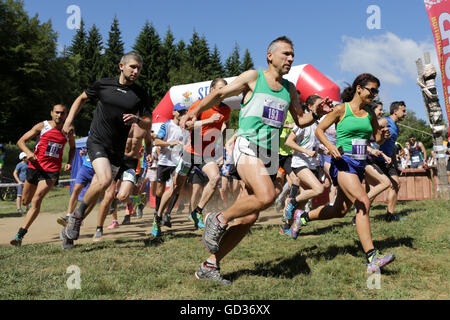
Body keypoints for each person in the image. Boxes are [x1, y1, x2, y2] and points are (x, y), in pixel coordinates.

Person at [180, 36, 332, 284]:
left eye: (293, 55)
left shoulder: (290, 89)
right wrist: (194, 111)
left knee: (249, 217)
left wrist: (317, 113)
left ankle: (209, 265)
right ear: (270, 56)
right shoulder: (253, 77)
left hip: (269, 153)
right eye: (286, 54)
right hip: (247, 145)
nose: (290, 59)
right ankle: (216, 218)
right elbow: (219, 93)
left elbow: (301, 119)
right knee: (267, 195)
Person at [291, 73, 395, 273]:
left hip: (360, 164)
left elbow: (377, 139)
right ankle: (372, 259)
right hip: (343, 161)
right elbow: (319, 130)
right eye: (371, 90)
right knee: (363, 202)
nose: (374, 94)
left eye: (376, 91)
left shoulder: (369, 114)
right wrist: (330, 147)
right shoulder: (341, 109)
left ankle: (302, 217)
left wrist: (382, 136)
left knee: (339, 211)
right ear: (359, 88)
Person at [59, 52, 152, 249]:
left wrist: (137, 120)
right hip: (97, 141)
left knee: (98, 186)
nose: (136, 71)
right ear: (121, 66)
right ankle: (76, 217)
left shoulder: (140, 94)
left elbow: (148, 123)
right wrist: (69, 120)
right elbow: (81, 99)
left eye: (139, 69)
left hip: (117, 150)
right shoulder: (103, 84)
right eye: (132, 67)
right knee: (105, 180)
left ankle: (69, 230)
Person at [152, 78, 231, 236]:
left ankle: (197, 211)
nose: (222, 92)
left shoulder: (226, 110)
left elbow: (225, 126)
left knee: (215, 178)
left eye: (225, 89)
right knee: (176, 188)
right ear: (211, 90)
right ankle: (157, 217)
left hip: (207, 154)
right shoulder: (200, 105)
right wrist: (208, 120)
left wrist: (222, 148)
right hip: (190, 152)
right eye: (219, 88)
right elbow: (186, 125)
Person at [10, 104, 76, 246]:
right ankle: (29, 212)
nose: (59, 115)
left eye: (63, 113)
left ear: (66, 115)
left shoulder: (68, 130)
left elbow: (73, 148)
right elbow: (21, 141)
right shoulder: (42, 126)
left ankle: (20, 235)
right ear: (52, 113)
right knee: (26, 201)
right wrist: (28, 153)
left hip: (51, 171)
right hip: (35, 167)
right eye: (57, 112)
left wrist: (70, 161)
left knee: (37, 199)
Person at [93, 122, 152, 241]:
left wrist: (149, 154)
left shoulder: (144, 127)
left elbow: (149, 142)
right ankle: (99, 228)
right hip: (115, 161)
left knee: (122, 196)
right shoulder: (118, 124)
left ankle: (134, 200)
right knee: (108, 196)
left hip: (130, 164)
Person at [282, 94, 324, 238]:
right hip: (300, 163)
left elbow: (316, 147)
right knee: (318, 189)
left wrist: (329, 151)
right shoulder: (303, 123)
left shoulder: (318, 124)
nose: (322, 107)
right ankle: (291, 201)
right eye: (319, 105)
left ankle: (290, 228)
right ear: (310, 107)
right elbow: (289, 142)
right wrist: (306, 151)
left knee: (303, 201)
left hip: (312, 164)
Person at [153, 103, 188, 227]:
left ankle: (168, 214)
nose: (182, 114)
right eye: (180, 111)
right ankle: (158, 212)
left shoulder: (186, 127)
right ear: (174, 112)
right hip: (165, 160)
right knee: (160, 189)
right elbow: (157, 141)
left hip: (178, 161)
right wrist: (171, 143)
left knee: (176, 186)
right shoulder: (167, 125)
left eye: (184, 112)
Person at [372, 101, 407, 222]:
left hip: (387, 160)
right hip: (375, 158)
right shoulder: (385, 121)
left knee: (396, 184)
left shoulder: (396, 127)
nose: (405, 113)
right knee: (374, 188)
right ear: (395, 111)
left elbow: (391, 148)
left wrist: (396, 165)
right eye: (403, 111)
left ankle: (389, 215)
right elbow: (369, 130)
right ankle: (360, 214)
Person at [56, 147, 95, 227]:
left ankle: (79, 219)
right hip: (85, 167)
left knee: (93, 196)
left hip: (98, 169)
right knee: (76, 189)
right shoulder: (91, 135)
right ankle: (68, 216)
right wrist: (85, 151)